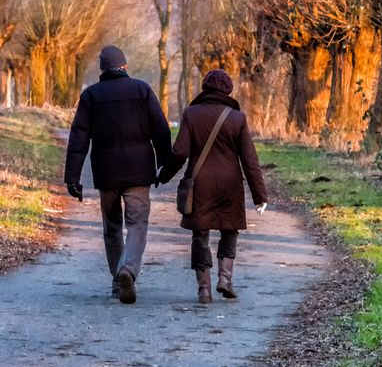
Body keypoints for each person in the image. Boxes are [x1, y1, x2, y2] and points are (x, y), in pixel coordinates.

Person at [64, 45, 172, 304]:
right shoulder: (142, 90)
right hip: (138, 173)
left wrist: (73, 178)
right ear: (124, 66)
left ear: (102, 69)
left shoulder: (91, 96)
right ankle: (128, 270)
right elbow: (161, 130)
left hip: (106, 174)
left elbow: (78, 139)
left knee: (112, 229)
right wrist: (164, 165)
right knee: (137, 226)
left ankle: (117, 282)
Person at [158, 69, 268, 304]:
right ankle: (225, 279)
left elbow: (179, 153)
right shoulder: (237, 118)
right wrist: (260, 195)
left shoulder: (191, 114)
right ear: (228, 91)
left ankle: (204, 289)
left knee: (200, 235)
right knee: (229, 231)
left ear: (205, 88)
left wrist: (164, 175)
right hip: (230, 185)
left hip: (201, 185)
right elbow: (250, 161)